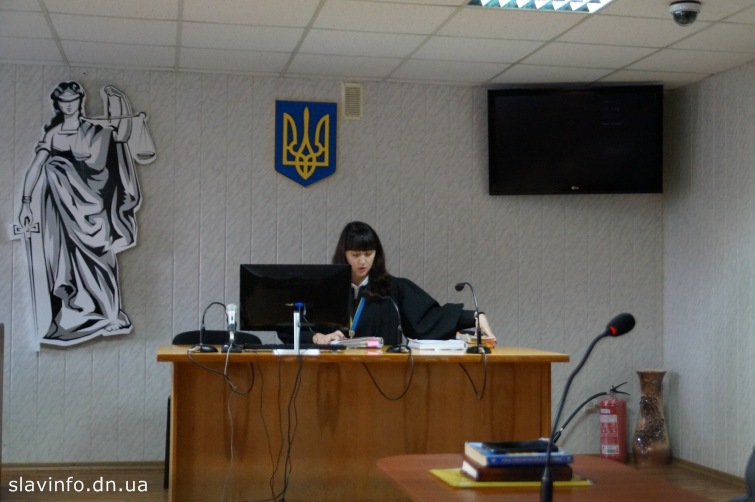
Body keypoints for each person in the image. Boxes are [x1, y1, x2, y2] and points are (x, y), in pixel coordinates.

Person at [17, 81, 142, 344]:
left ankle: (109, 314)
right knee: (65, 262)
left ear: (80, 101)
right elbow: (36, 167)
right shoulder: (54, 135)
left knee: (103, 259)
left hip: (94, 210)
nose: (69, 105)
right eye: (64, 101)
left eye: (73, 99)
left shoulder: (96, 130)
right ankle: (75, 313)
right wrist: (25, 201)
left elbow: (121, 135)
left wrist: (117, 101)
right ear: (58, 104)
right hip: (63, 212)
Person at [311, 221, 494, 345]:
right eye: (355, 255)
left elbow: (429, 320)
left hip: (384, 372)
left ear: (377, 254)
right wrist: (318, 337)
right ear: (343, 254)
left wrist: (474, 317)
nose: (362, 261)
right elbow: (299, 327)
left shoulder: (392, 289)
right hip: (335, 371)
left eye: (368, 254)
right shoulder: (327, 290)